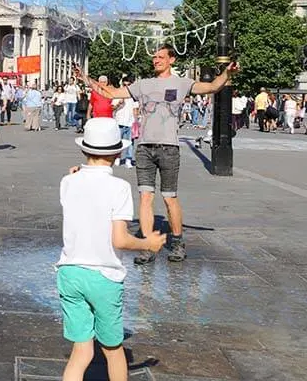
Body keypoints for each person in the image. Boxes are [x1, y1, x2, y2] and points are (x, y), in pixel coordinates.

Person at [74, 45, 238, 264]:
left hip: (169, 147)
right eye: (155, 57)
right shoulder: (143, 84)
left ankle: (178, 242)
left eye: (161, 57)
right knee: (145, 197)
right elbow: (110, 93)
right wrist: (85, 78)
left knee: (169, 197)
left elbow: (212, 87)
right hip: (144, 147)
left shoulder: (181, 83)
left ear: (171, 60)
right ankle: (147, 245)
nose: (156, 60)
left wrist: (227, 73)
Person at [57, 118, 166, 381]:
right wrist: (147, 243)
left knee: (81, 351)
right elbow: (120, 240)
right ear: (118, 153)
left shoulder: (67, 181)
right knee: (113, 350)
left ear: (84, 149)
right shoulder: (119, 188)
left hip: (69, 272)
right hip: (103, 276)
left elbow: (80, 188)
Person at [111, 76, 137, 168]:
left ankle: (128, 159)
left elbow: (136, 109)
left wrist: (136, 121)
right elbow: (112, 107)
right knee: (118, 141)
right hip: (119, 121)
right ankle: (118, 158)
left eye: (128, 85)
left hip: (130, 122)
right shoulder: (118, 94)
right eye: (124, 84)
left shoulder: (134, 96)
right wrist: (119, 104)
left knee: (130, 142)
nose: (126, 86)